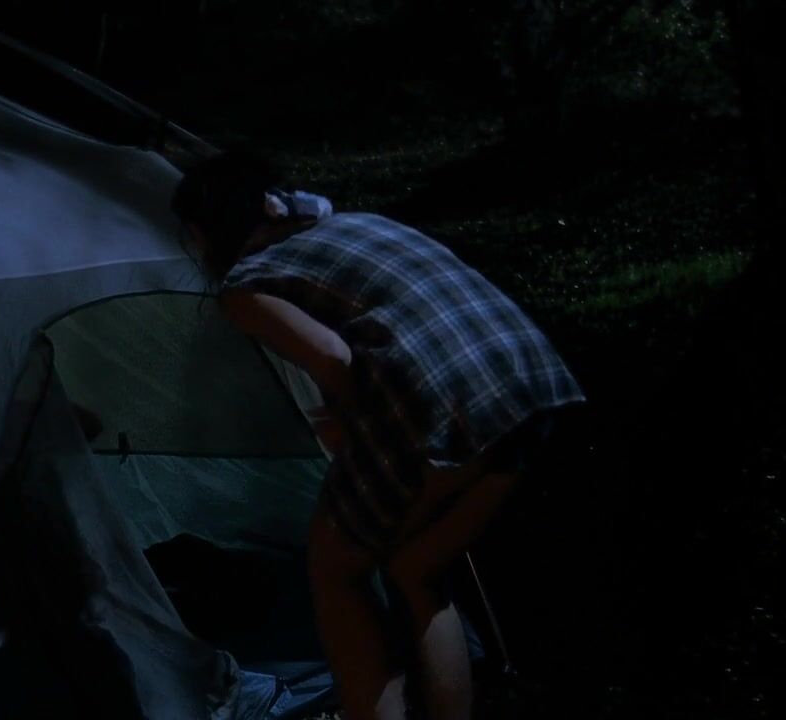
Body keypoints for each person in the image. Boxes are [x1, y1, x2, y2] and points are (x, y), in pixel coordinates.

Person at [171, 151, 585, 720]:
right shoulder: (360, 224)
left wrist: (342, 421)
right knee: (417, 569)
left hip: (439, 406)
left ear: (204, 234)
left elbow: (334, 357)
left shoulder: (245, 284)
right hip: (531, 384)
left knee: (336, 570)